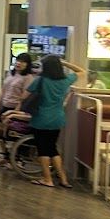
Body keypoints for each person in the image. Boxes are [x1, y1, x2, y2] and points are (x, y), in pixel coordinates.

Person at [26, 54, 85, 188]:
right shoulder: (65, 80)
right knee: (52, 149)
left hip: (41, 118)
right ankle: (63, 179)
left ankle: (47, 179)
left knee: (43, 150)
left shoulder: (40, 80)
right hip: (57, 118)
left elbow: (27, 94)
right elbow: (82, 71)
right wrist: (64, 63)